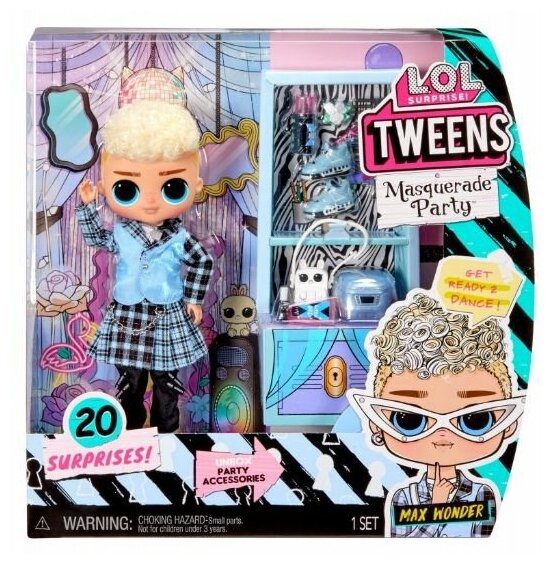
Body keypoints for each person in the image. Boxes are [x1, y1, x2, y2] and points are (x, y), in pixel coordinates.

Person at [76, 100, 214, 433]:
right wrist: (88, 206)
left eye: (172, 187)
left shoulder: (179, 237)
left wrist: (194, 299)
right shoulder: (122, 232)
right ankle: (130, 435)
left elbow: (202, 260)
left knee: (167, 383)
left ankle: (168, 436)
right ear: (107, 187)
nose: (151, 201)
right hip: (128, 316)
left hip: (167, 315)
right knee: (130, 382)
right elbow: (97, 238)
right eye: (127, 189)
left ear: (195, 186)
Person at [348, 292, 524, 537]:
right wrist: (437, 504)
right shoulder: (403, 496)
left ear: (509, 424)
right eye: (409, 420)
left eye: (475, 420)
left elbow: (486, 540)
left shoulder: (482, 493)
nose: (442, 435)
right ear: (376, 425)